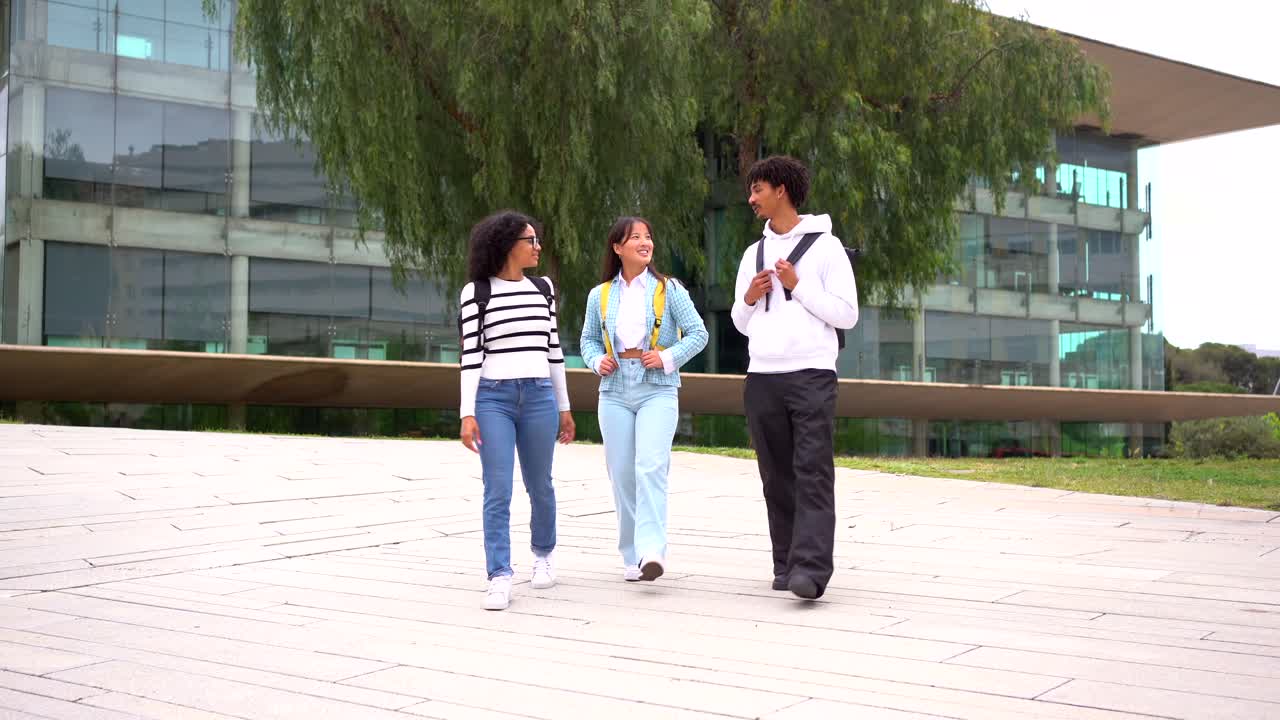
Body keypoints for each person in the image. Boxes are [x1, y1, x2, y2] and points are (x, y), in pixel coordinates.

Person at [730, 156, 859, 600]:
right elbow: (741, 322)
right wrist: (748, 298)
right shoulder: (754, 254)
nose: (751, 198)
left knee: (813, 472)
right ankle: (785, 563)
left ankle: (811, 570)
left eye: (757, 189)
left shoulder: (828, 248)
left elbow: (847, 313)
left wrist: (798, 284)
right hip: (762, 376)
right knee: (775, 475)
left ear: (781, 190)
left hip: (812, 375)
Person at [579, 216, 708, 582]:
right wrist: (594, 361)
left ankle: (652, 551)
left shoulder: (671, 290)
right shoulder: (600, 295)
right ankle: (632, 554)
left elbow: (699, 334)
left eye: (648, 236)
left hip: (658, 388)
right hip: (615, 390)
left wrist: (666, 358)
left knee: (650, 467)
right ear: (618, 248)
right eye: (635, 237)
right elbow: (587, 340)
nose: (644, 242)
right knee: (621, 474)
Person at [458, 210, 575, 611]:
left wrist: (564, 407)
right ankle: (500, 575)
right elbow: (470, 356)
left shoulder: (544, 289)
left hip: (540, 396)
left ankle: (543, 554)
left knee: (540, 483)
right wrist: (466, 413)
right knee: (498, 489)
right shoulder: (477, 292)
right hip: (493, 399)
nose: (538, 247)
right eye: (531, 241)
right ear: (509, 244)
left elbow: (554, 351)